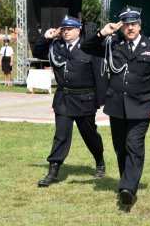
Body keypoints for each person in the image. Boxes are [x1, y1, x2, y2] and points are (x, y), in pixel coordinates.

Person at [81, 5, 150, 205]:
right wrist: (103, 32)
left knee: (134, 145)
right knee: (120, 148)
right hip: (117, 106)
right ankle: (126, 181)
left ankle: (128, 188)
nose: (130, 28)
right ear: (121, 27)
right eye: (126, 25)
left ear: (140, 25)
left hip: (141, 105)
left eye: (134, 24)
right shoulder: (113, 45)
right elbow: (86, 47)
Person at [33, 15, 107, 187]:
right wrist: (46, 38)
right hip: (64, 98)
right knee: (61, 135)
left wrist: (101, 99)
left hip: (85, 99)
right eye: (64, 29)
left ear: (78, 30)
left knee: (90, 135)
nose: (66, 32)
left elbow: (99, 74)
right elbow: (37, 53)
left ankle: (100, 161)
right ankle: (53, 171)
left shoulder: (89, 46)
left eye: (70, 29)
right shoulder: (56, 46)